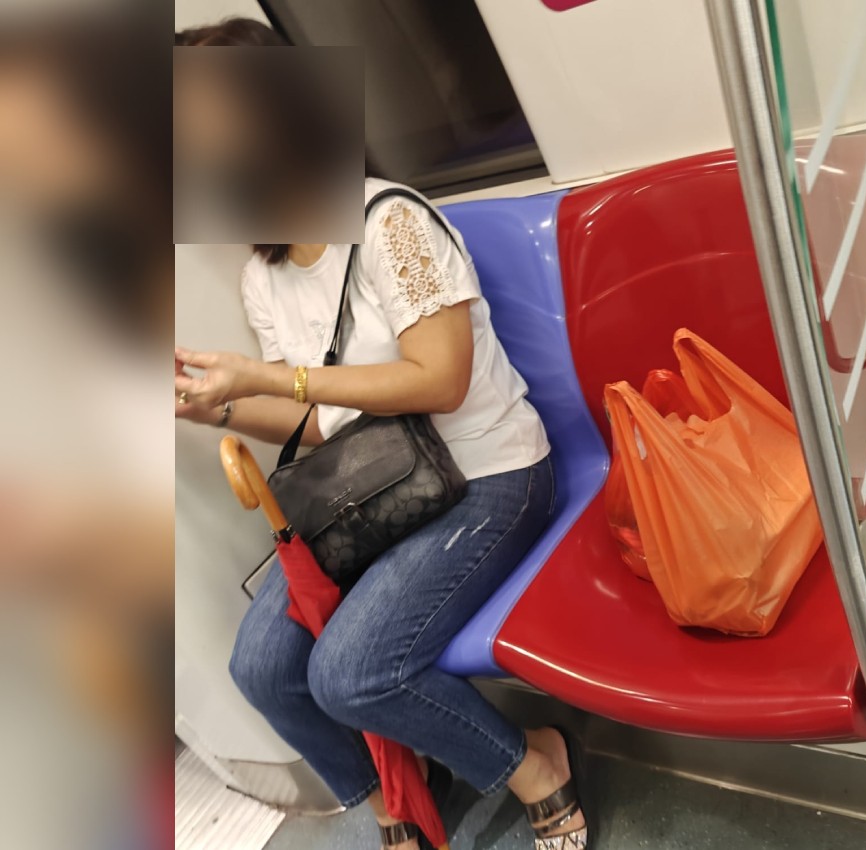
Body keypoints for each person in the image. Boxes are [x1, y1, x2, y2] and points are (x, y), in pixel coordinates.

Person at [174, 18, 588, 850]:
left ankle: (537, 761)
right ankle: (396, 795)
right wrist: (214, 401)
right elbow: (319, 422)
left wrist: (264, 377)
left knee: (350, 672)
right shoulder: (267, 275)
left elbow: (440, 379)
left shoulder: (390, 219)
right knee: (260, 667)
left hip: (491, 474)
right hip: (384, 491)